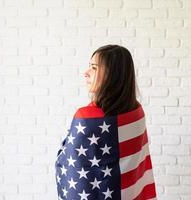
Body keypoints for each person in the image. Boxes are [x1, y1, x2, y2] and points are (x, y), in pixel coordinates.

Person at [55, 44, 157, 200]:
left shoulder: (86, 118)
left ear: (111, 74)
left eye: (94, 68)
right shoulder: (137, 111)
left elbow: (70, 167)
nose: (86, 73)